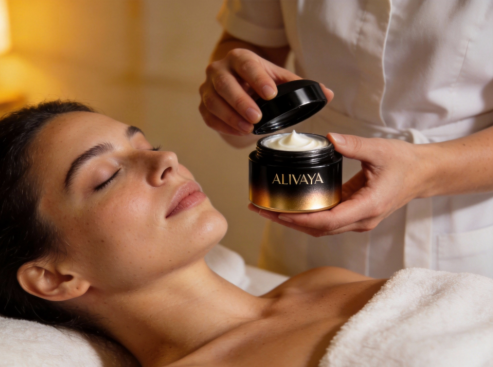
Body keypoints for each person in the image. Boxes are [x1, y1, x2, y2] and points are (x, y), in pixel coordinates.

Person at [0, 101, 493, 367]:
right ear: (56, 276)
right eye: (106, 176)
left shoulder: (325, 282)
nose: (165, 160)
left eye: (146, 144)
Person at [200, 1, 493, 278]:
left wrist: (422, 171)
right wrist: (234, 91)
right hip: (303, 209)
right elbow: (253, 41)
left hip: (460, 216)